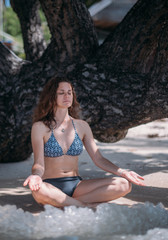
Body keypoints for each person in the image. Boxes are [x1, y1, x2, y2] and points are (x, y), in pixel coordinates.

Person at [23, 76, 145, 207]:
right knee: (38, 189)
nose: (67, 96)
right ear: (52, 96)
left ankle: (67, 204)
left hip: (77, 185)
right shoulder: (40, 127)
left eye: (69, 92)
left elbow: (99, 159)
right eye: (61, 93)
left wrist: (123, 172)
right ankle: (84, 206)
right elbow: (38, 164)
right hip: (50, 185)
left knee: (124, 184)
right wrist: (36, 175)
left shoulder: (82, 126)